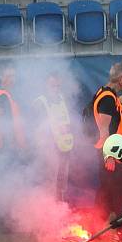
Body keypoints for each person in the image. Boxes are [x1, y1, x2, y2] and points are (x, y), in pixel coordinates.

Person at [89, 63, 122, 241]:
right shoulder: (107, 98)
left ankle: (94, 228)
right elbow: (104, 129)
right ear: (120, 79)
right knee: (121, 193)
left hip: (114, 152)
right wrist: (109, 155)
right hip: (113, 154)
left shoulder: (107, 94)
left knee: (107, 192)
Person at [32, 72, 73, 202]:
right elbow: (36, 127)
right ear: (45, 85)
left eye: (57, 85)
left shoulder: (61, 99)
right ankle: (50, 209)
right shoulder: (40, 102)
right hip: (49, 147)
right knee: (50, 180)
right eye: (52, 85)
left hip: (64, 146)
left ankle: (61, 207)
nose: (55, 87)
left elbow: (67, 122)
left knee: (62, 180)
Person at [0, 65, 27, 157]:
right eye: (9, 76)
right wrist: (9, 143)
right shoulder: (2, 96)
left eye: (13, 76)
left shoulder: (10, 95)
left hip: (13, 147)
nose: (12, 79)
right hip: (6, 148)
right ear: (1, 77)